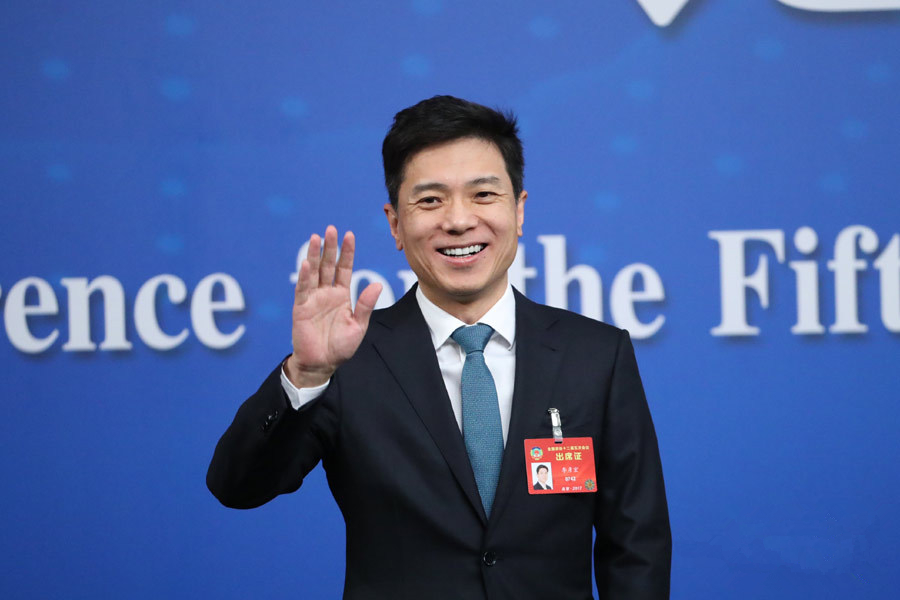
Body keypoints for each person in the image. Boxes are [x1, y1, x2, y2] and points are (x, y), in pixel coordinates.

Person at [207, 95, 671, 599]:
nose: (458, 221)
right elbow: (238, 487)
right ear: (395, 224)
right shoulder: (348, 360)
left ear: (519, 210)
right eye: (430, 201)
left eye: (483, 195)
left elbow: (636, 546)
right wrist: (307, 373)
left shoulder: (596, 356)